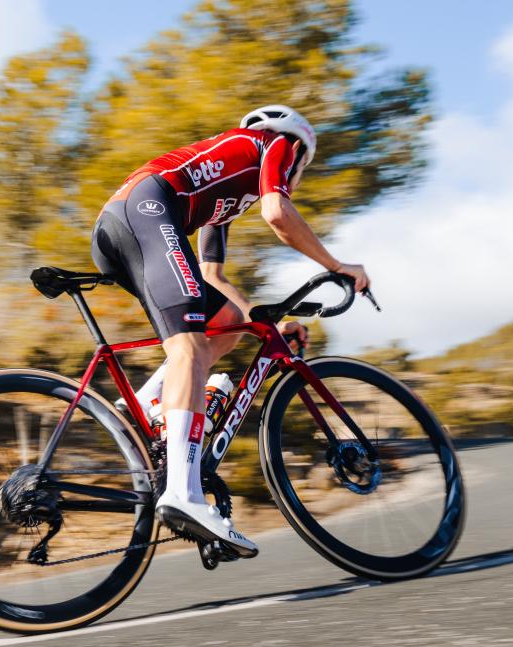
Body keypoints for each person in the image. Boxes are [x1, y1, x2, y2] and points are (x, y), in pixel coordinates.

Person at [90, 105, 370, 557]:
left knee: (223, 326)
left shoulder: (227, 188)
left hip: (129, 221)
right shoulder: (274, 144)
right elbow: (278, 213)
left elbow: (212, 278)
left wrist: (269, 325)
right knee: (187, 348)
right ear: (298, 151)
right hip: (145, 211)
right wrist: (338, 266)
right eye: (303, 165)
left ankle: (143, 406)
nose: (297, 173)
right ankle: (183, 495)